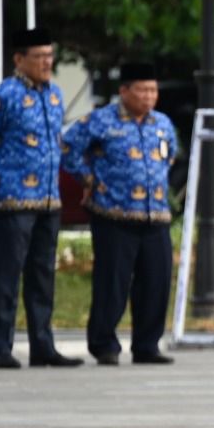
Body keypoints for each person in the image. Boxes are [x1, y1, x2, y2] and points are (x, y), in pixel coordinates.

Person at [60, 62, 179, 366]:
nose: (149, 96)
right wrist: (88, 179)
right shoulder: (100, 121)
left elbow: (171, 155)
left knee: (156, 282)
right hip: (113, 214)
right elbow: (68, 148)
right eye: (142, 90)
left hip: (155, 216)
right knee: (112, 283)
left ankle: (147, 345)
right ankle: (104, 344)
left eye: (153, 90)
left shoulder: (162, 123)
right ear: (124, 91)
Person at [0, 26, 82, 369]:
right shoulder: (6, 95)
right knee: (6, 275)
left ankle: (42, 345)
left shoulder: (55, 95)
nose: (47, 62)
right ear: (19, 59)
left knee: (43, 275)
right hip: (14, 199)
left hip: (49, 199)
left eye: (50, 56)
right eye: (40, 57)